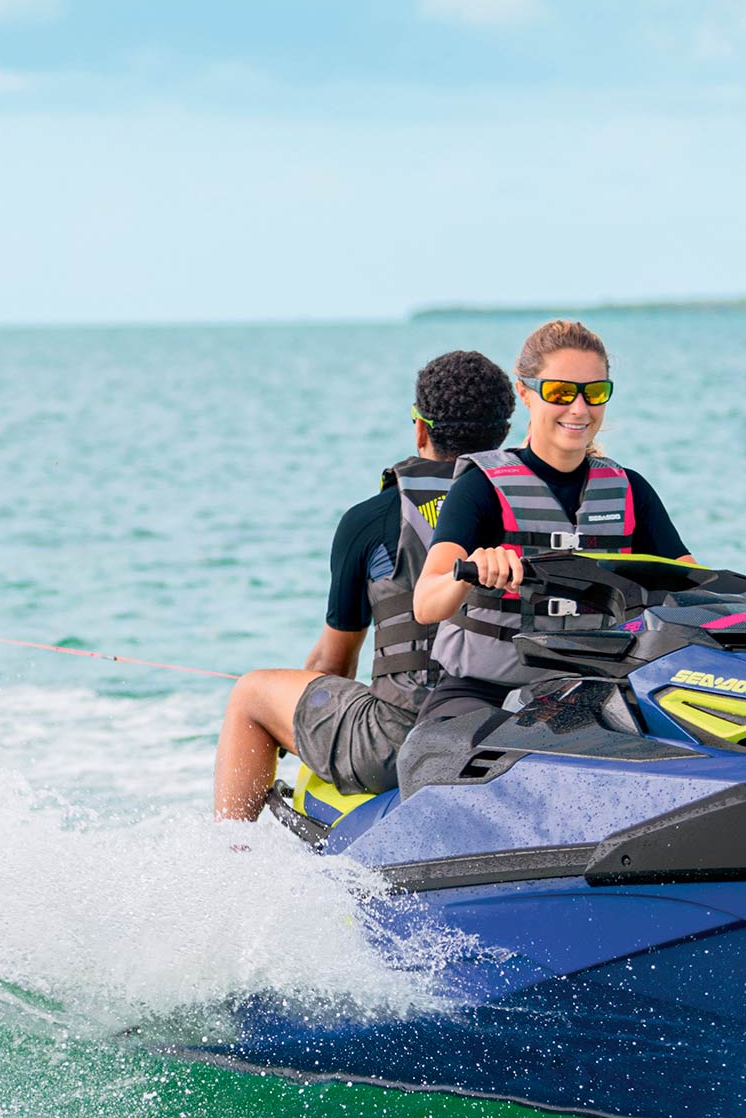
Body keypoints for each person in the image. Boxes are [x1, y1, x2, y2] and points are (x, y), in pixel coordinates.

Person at [395, 317, 746, 792]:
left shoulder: (629, 491)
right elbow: (426, 603)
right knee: (439, 763)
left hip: (591, 697)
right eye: (560, 391)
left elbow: (695, 593)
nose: (579, 407)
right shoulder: (480, 488)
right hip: (483, 694)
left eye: (594, 392)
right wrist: (469, 573)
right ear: (526, 393)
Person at [212, 349, 517, 819]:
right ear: (504, 436)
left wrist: (300, 729)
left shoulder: (370, 521)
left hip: (400, 742)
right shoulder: (534, 511)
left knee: (252, 693)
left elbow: (332, 666)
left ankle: (233, 864)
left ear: (421, 427)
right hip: (510, 728)